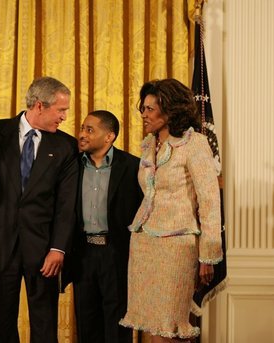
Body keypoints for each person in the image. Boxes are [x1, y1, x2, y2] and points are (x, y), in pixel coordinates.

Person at [119, 78, 222, 342]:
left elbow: (209, 200)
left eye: (150, 109)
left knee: (171, 326)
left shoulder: (194, 143)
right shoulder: (148, 145)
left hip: (177, 246)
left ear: (170, 109)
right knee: (152, 325)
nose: (143, 114)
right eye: (143, 108)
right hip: (143, 242)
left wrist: (207, 255)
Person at [0, 76, 79, 342]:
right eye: (61, 110)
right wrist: (3, 204)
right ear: (39, 105)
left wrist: (58, 248)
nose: (65, 117)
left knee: (45, 326)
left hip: (44, 250)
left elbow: (67, 203)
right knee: (1, 323)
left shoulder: (66, 146)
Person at [73, 110, 142, 343]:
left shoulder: (133, 166)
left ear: (109, 136)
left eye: (89, 130)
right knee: (86, 322)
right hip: (82, 254)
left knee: (118, 323)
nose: (82, 134)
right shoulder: (72, 165)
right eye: (82, 128)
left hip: (117, 254)